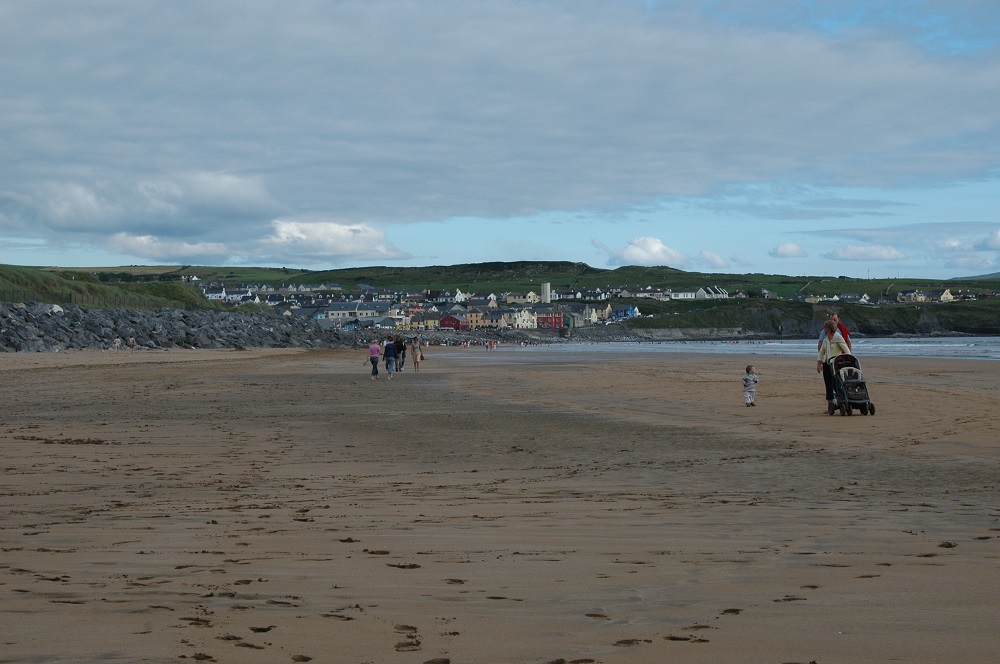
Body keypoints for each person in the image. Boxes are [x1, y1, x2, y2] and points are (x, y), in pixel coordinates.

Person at [817, 319, 851, 414]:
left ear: (829, 328)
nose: (824, 329)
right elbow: (822, 352)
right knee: (828, 384)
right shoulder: (826, 339)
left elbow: (846, 350)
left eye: (825, 327)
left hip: (836, 364)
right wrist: (819, 363)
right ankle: (830, 405)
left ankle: (843, 400)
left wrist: (847, 360)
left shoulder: (838, 338)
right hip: (827, 364)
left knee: (837, 384)